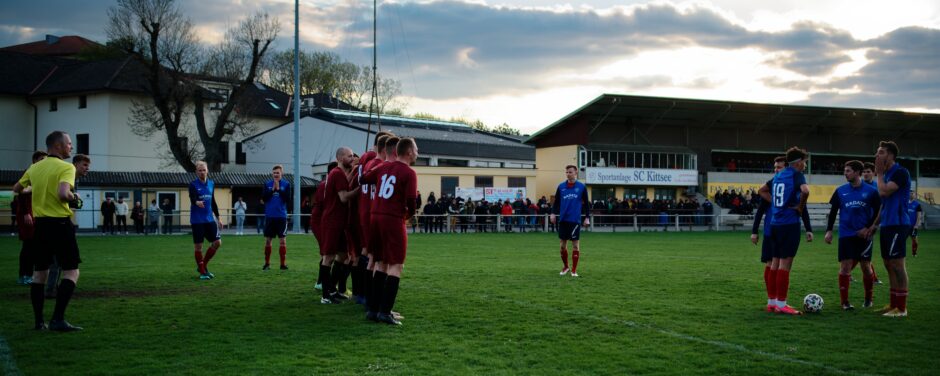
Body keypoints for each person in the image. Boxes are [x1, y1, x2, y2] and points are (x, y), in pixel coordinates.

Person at [13, 130, 83, 331]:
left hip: (40, 226)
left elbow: (17, 188)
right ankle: (57, 319)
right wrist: (74, 198)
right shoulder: (66, 167)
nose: (71, 147)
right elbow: (63, 194)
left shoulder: (35, 167)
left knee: (39, 274)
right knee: (71, 272)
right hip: (60, 225)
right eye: (69, 143)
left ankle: (38, 322)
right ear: (58, 146)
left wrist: (36, 189)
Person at [361, 137, 419, 325]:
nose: (417, 153)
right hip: (392, 219)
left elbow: (364, 178)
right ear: (408, 152)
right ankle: (385, 312)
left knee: (381, 262)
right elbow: (411, 201)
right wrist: (408, 215)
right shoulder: (409, 173)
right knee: (396, 265)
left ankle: (374, 309)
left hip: (375, 217)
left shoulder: (383, 167)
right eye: (416, 149)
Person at [751, 156, 813, 312]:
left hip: (775, 226)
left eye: (778, 167)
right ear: (798, 162)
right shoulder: (793, 176)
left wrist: (808, 228)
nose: (776, 170)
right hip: (785, 225)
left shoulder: (777, 179)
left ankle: (773, 302)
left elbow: (761, 190)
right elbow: (805, 192)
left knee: (775, 264)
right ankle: (780, 304)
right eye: (804, 161)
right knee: (781, 265)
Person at [824, 160, 881, 310]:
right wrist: (829, 230)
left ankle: (868, 299)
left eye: (848, 171)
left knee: (866, 267)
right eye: (845, 170)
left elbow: (878, 211)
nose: (845, 173)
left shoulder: (871, 191)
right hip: (846, 234)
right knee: (845, 267)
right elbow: (833, 212)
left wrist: (868, 228)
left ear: (857, 172)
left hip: (865, 235)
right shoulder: (840, 190)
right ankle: (845, 302)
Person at [874, 141, 912, 317]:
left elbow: (884, 192)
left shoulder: (900, 172)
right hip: (887, 224)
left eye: (881, 152)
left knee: (897, 264)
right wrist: (874, 225)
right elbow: (883, 204)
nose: (877, 156)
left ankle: (902, 308)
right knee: (888, 264)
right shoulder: (887, 174)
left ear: (891, 155)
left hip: (898, 223)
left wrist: (879, 174)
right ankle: (893, 304)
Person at [318, 146, 359, 304]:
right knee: (328, 257)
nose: (352, 158)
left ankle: (332, 289)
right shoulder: (337, 173)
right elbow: (343, 197)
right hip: (332, 221)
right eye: (349, 156)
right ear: (341, 158)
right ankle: (325, 295)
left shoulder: (339, 174)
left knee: (344, 255)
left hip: (339, 222)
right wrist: (359, 190)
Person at [551, 165, 591, 277]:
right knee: (562, 246)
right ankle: (566, 267)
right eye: (567, 172)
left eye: (570, 172)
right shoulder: (561, 187)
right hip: (563, 219)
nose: (568, 174)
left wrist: (587, 217)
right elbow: (556, 202)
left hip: (575, 220)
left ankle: (574, 270)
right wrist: (553, 213)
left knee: (575, 245)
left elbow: (586, 204)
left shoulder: (581, 187)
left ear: (575, 173)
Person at [15, 151, 48, 285]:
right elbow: (21, 194)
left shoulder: (41, 173)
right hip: (28, 215)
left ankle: (30, 275)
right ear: (34, 160)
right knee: (28, 246)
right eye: (41, 159)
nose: (43, 162)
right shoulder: (29, 172)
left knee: (35, 247)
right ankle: (24, 275)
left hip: (37, 214)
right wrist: (25, 213)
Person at [189, 161, 223, 280]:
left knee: (217, 242)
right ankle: (203, 271)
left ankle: (203, 265)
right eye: (199, 170)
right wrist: (196, 202)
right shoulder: (193, 184)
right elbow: (192, 198)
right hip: (197, 221)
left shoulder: (211, 184)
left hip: (209, 219)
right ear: (196, 172)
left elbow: (213, 202)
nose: (202, 172)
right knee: (198, 247)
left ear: (207, 170)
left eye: (204, 170)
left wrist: (218, 218)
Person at [260, 165, 292, 270]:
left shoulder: (287, 184)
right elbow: (263, 198)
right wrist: (272, 190)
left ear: (281, 173)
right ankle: (267, 264)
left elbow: (288, 199)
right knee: (268, 241)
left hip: (281, 217)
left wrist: (279, 190)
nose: (276, 175)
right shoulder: (267, 184)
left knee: (283, 241)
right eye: (274, 173)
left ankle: (282, 264)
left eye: (277, 173)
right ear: (272, 174)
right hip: (270, 217)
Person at [907, 191, 922, 257]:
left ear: (915, 195)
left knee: (915, 241)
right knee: (901, 240)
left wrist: (916, 224)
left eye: (912, 193)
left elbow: (919, 215)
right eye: (910, 193)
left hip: (913, 226)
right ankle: (900, 254)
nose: (911, 195)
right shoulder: (905, 203)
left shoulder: (917, 204)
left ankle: (914, 253)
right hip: (905, 226)